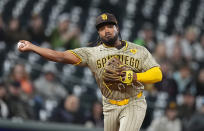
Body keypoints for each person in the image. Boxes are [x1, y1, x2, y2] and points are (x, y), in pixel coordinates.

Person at [18, 13, 162, 131]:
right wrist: (33, 47)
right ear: (98, 32)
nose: (107, 30)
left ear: (117, 27)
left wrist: (136, 76)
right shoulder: (91, 53)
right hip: (110, 105)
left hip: (134, 102)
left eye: (110, 26)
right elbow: (59, 56)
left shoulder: (138, 50)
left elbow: (158, 74)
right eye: (102, 28)